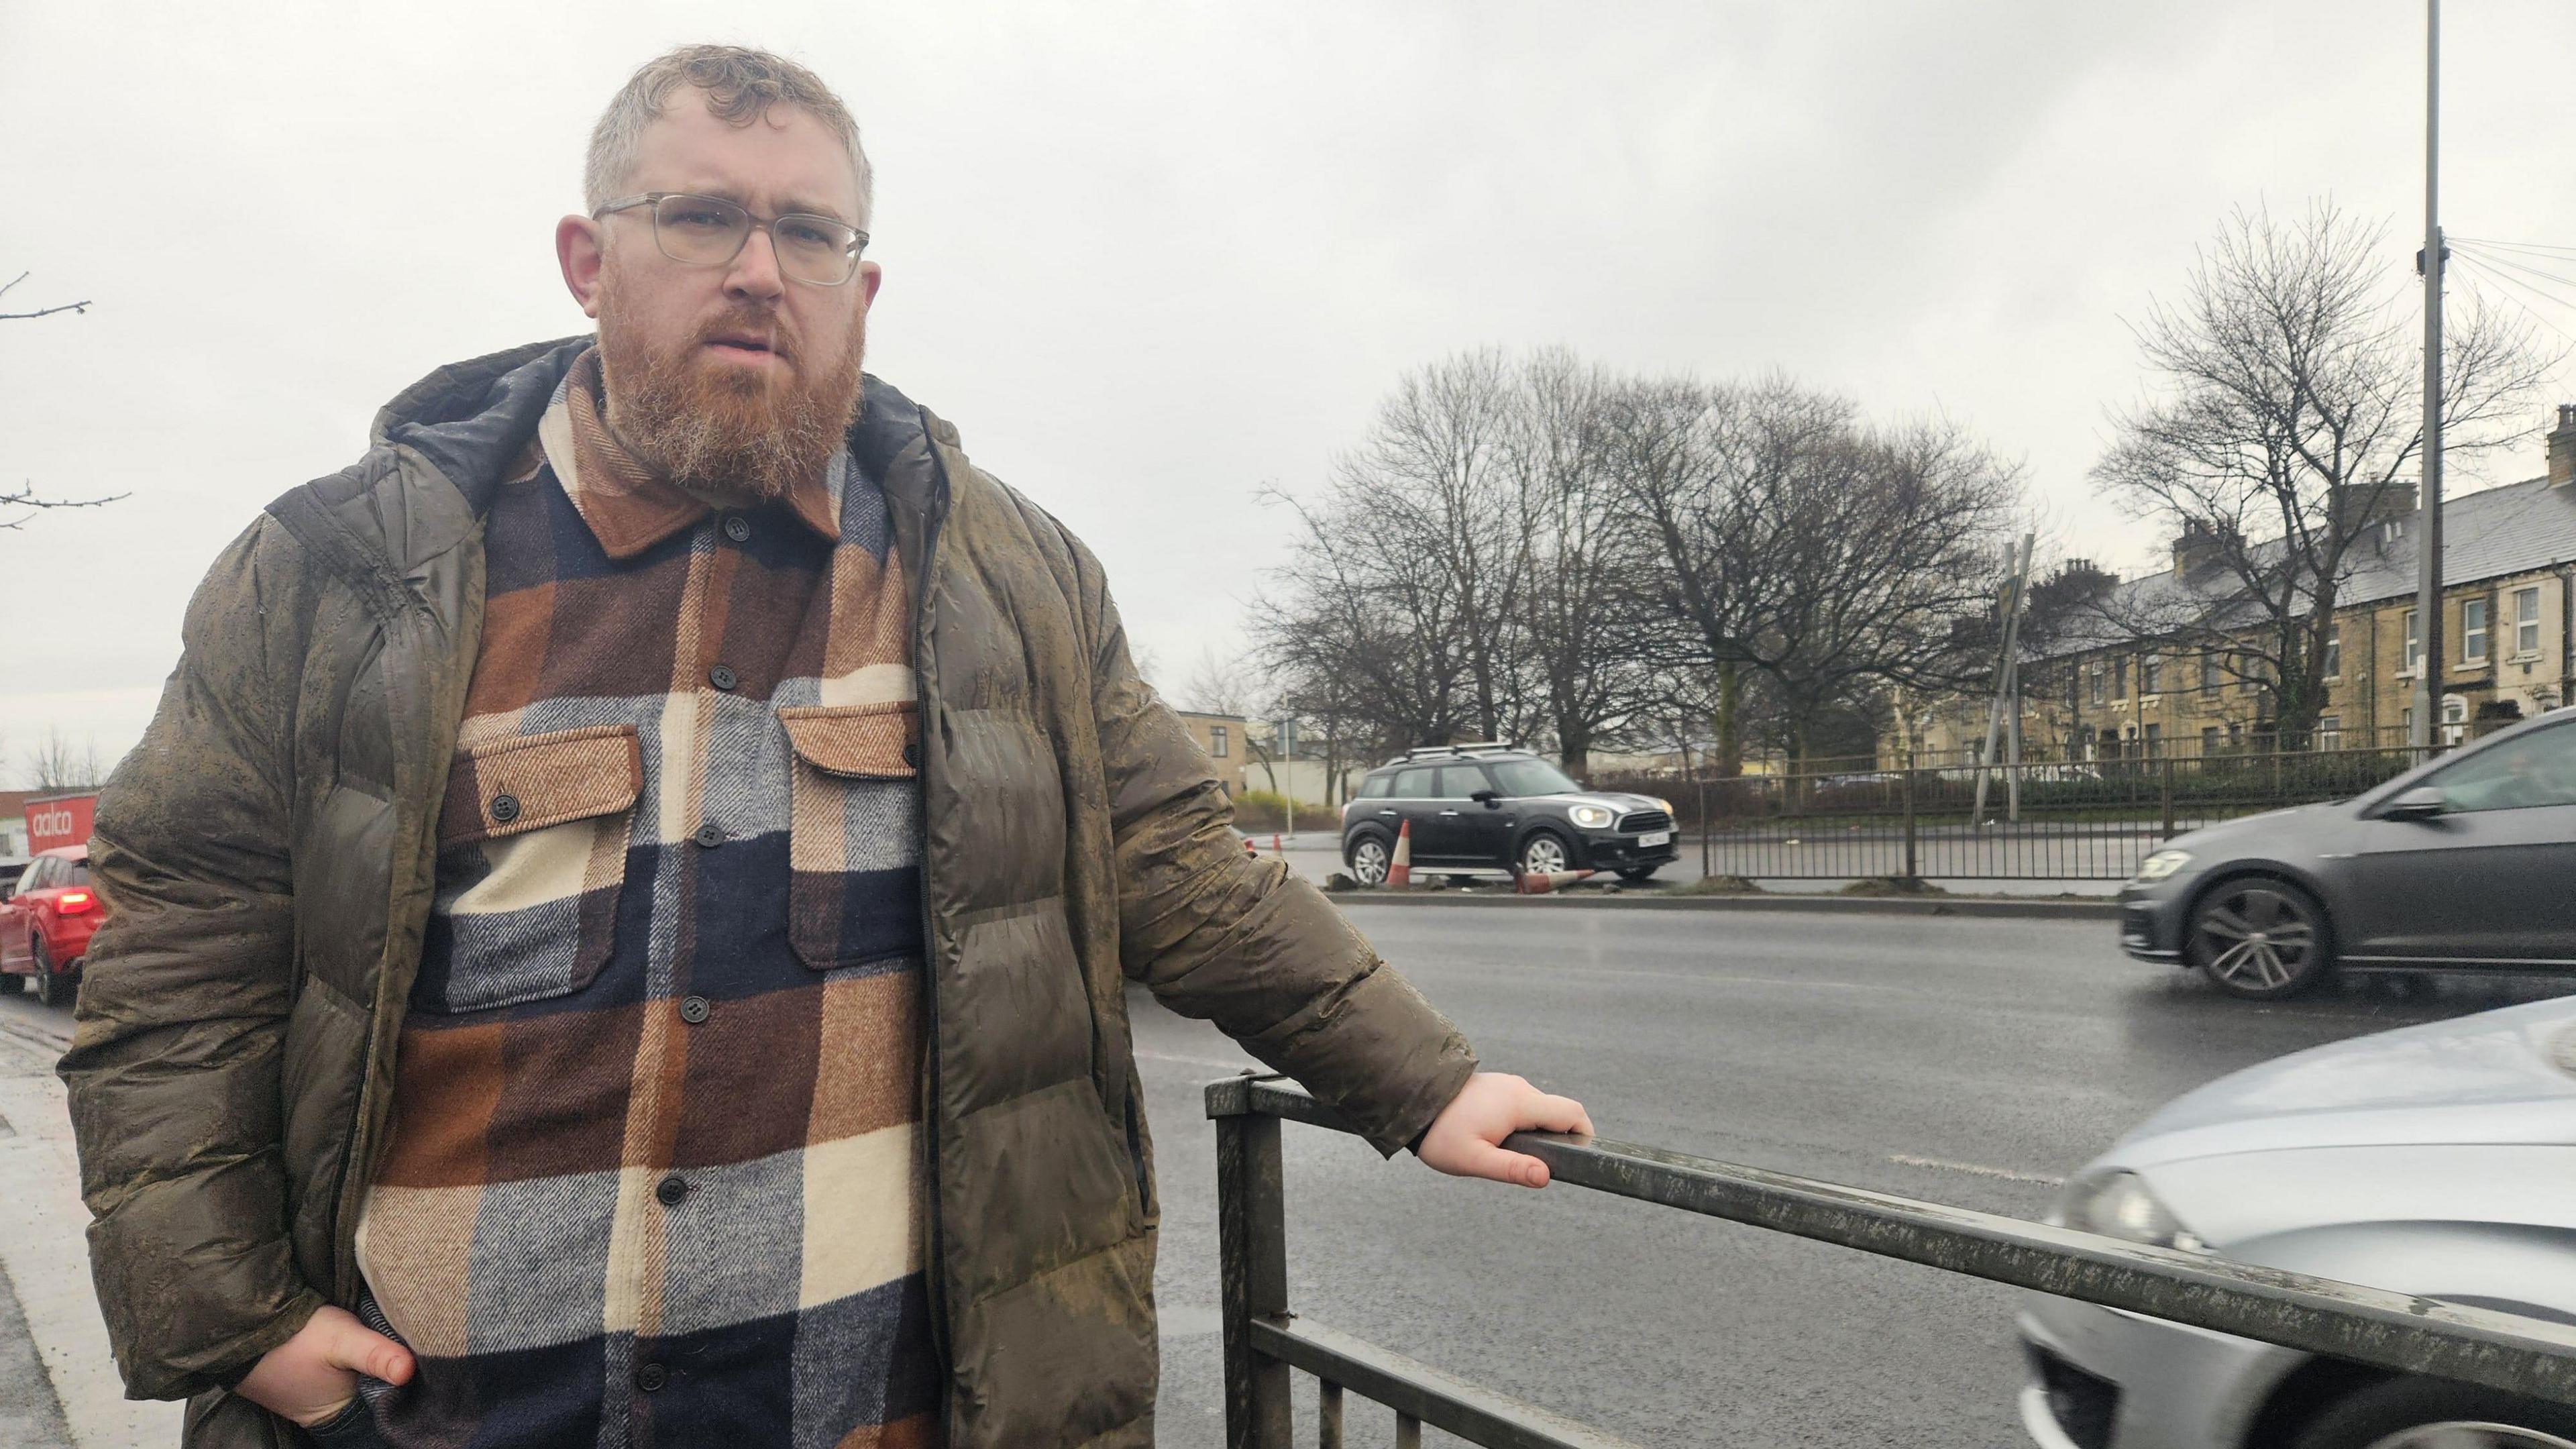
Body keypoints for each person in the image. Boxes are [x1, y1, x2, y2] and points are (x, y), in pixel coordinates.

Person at [58, 43, 1589, 1449]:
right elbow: (186, 952)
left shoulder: (1004, 577)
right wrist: (233, 1320)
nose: (757, 270)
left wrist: (1423, 1083)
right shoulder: (340, 573)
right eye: (702, 216)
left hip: (873, 1415)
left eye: (808, 233)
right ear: (589, 260)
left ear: (863, 285)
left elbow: (1172, 861)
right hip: (445, 1417)